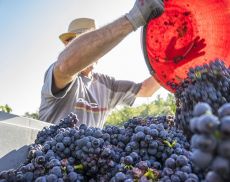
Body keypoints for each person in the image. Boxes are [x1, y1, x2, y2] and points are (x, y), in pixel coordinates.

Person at [39, 0, 165, 128]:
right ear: (68, 47)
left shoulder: (107, 85)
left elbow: (146, 89)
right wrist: (134, 18)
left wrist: (172, 67)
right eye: (81, 42)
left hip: (93, 148)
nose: (92, 48)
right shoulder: (59, 76)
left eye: (96, 43)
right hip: (53, 147)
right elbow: (65, 65)